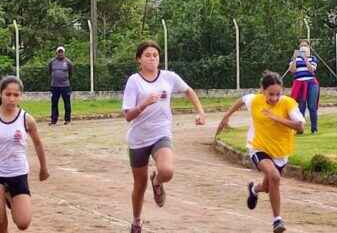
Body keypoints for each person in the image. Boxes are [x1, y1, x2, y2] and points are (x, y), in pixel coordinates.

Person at [121, 40, 206, 233]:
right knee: (139, 185)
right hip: (138, 139)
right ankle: (136, 220)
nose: (152, 58)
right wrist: (143, 104)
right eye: (147, 55)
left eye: (155, 55)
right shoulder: (134, 81)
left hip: (161, 133)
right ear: (139, 59)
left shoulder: (169, 77)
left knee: (166, 171)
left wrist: (201, 111)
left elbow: (188, 91)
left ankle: (157, 181)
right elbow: (128, 116)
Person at [217, 71, 304, 233]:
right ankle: (277, 220)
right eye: (270, 94)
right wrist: (226, 116)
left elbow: (300, 126)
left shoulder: (289, 104)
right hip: (258, 147)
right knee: (275, 177)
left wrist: (276, 118)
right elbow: (241, 100)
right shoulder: (254, 100)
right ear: (262, 90)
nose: (274, 98)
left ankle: (254, 190)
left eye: (278, 94)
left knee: (268, 186)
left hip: (280, 152)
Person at [0, 76, 49, 233]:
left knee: (23, 223)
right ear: (1, 94)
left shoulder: (27, 119)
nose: (11, 98)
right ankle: (3, 192)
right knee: (0, 222)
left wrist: (44, 168)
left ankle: (9, 195)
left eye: (16, 95)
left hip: (18, 172)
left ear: (21, 96)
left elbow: (38, 144)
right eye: (8, 94)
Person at [288, 40, 319, 134]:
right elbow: (292, 71)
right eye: (301, 46)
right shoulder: (295, 59)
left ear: (309, 47)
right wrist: (294, 59)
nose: (303, 47)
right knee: (301, 106)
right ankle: (300, 129)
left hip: (311, 83)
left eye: (305, 45)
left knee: (312, 106)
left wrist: (305, 59)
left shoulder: (312, 58)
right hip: (299, 84)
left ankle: (314, 129)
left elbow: (312, 70)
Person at [48, 46, 74, 125]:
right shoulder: (52, 62)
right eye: (59, 52)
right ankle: (53, 120)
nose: (60, 54)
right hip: (55, 86)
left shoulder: (68, 62)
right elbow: (49, 71)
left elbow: (71, 73)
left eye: (61, 52)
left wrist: (65, 79)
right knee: (54, 103)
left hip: (65, 86)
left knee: (67, 103)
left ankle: (67, 120)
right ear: (56, 53)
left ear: (64, 53)